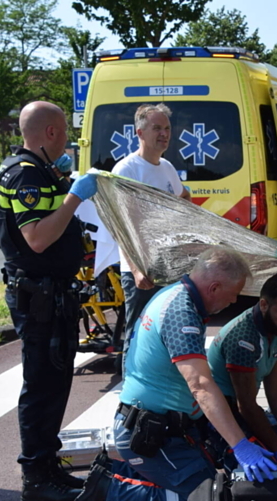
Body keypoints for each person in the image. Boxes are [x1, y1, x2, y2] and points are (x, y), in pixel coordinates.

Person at [68, 247, 277, 501]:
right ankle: (109, 492)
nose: (234, 301)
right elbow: (200, 385)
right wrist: (240, 445)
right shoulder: (182, 314)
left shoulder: (174, 295)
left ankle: (118, 474)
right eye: (233, 294)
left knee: (213, 488)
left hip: (162, 428)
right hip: (151, 434)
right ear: (214, 287)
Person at [0, 101, 99, 501]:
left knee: (53, 383)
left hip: (49, 293)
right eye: (65, 131)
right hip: (39, 297)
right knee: (41, 386)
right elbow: (36, 238)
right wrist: (73, 198)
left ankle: (48, 467)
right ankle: (36, 479)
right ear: (51, 132)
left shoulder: (36, 169)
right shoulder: (26, 174)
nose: (67, 140)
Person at [207, 273, 277, 466]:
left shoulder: (273, 327)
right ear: (263, 305)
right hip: (222, 416)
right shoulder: (243, 340)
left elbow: (275, 389)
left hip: (241, 410)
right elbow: (246, 406)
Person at [112, 103, 193, 359]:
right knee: (138, 336)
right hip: (142, 270)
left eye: (167, 128)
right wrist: (137, 270)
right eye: (157, 128)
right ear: (140, 132)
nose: (164, 134)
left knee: (166, 334)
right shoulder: (127, 170)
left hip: (167, 265)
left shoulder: (167, 167)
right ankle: (130, 385)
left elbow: (184, 197)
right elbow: (121, 226)